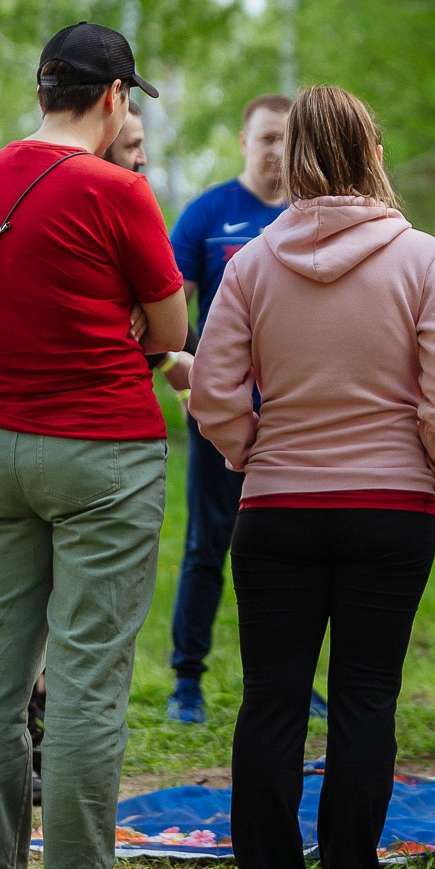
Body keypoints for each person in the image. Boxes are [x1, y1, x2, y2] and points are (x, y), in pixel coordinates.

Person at [189, 85, 435, 869]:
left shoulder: (250, 263)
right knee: (365, 700)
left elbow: (211, 391)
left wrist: (252, 452)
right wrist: (428, 461)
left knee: (271, 701)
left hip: (277, 506)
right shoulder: (421, 257)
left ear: (297, 154)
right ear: (371, 149)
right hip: (389, 509)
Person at [0, 23, 188, 869]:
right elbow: (170, 326)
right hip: (102, 451)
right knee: (89, 671)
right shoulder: (117, 189)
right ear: (116, 98)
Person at [163, 95, 293, 724]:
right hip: (221, 417)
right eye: (267, 137)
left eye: (287, 138)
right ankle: (186, 680)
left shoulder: (308, 215)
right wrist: (193, 387)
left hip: (295, 419)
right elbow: (168, 312)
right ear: (245, 140)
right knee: (207, 545)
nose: (277, 149)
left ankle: (290, 680)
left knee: (290, 552)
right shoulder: (208, 215)